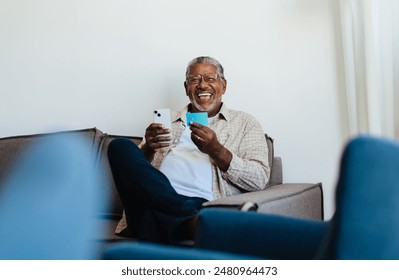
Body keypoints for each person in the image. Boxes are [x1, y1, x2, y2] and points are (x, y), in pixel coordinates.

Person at [108, 56, 270, 244]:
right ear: (186, 88)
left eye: (210, 78)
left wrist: (216, 150)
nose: (202, 85)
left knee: (179, 211)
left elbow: (259, 179)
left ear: (223, 86)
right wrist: (148, 150)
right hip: (147, 208)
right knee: (119, 146)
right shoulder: (166, 121)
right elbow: (135, 176)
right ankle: (193, 223)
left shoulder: (245, 123)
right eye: (194, 80)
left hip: (200, 205)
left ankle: (182, 224)